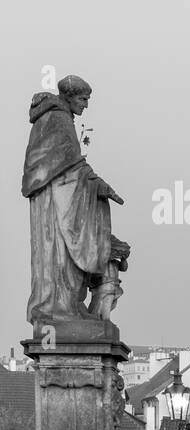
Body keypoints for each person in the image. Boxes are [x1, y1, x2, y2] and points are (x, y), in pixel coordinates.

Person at [23, 75, 129, 326]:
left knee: (61, 257)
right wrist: (97, 185)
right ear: (69, 97)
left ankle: (65, 306)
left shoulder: (58, 117)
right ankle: (57, 309)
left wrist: (94, 184)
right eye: (83, 99)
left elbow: (68, 162)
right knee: (57, 254)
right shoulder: (57, 119)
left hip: (59, 194)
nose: (86, 105)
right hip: (54, 200)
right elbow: (67, 163)